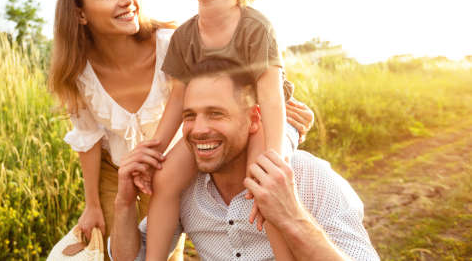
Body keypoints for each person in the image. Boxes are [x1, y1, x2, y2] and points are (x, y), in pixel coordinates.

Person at [47, 0, 315, 260]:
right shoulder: (76, 72)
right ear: (80, 15)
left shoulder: (170, 42)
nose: (127, 0)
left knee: (165, 238)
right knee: (116, 249)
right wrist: (91, 204)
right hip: (117, 168)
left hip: (172, 156)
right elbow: (88, 139)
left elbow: (230, 83)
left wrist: (278, 106)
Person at [110, 59, 379, 261]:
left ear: (253, 119)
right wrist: (124, 203)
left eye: (216, 114)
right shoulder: (184, 188)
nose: (198, 129)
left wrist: (292, 216)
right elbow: (135, 257)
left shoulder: (311, 177)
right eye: (190, 116)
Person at [139, 0, 297, 260]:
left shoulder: (256, 27)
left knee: (262, 180)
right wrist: (154, 149)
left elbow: (269, 96)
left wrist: (274, 156)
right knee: (166, 179)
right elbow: (179, 101)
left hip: (255, 115)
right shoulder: (184, 36)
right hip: (215, 118)